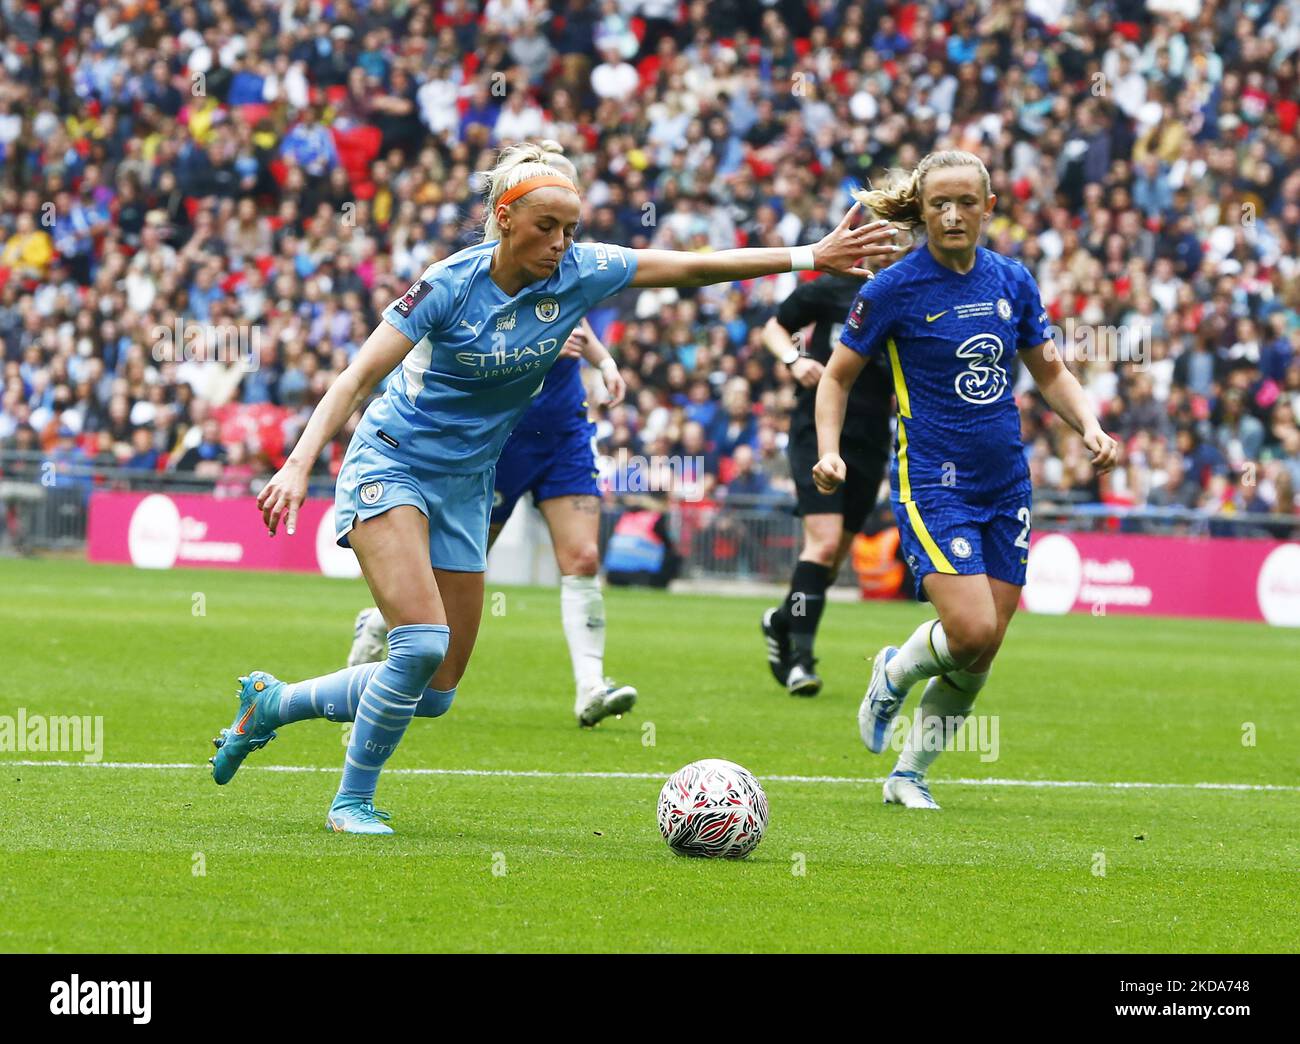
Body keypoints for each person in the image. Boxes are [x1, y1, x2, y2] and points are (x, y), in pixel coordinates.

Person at [207, 139, 900, 834]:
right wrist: (298, 463)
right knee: (416, 647)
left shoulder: (581, 271)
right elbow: (355, 377)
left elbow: (692, 268)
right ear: (505, 218)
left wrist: (809, 255)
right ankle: (350, 801)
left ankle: (271, 705)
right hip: (390, 463)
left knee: (438, 690)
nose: (562, 243)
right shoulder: (449, 283)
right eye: (548, 228)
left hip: (466, 484)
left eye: (571, 229)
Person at [814, 150, 1119, 810]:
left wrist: (1089, 426)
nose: (952, 215)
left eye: (965, 203)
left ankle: (909, 775)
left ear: (989, 206)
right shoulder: (893, 288)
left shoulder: (1012, 280)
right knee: (971, 630)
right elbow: (835, 376)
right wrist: (830, 451)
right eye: (938, 204)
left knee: (984, 649)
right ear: (921, 211)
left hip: (1005, 482)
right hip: (933, 480)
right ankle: (892, 673)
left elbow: (1051, 370)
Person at [347, 314, 643, 727]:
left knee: (584, 557)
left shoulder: (563, 274)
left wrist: (605, 363)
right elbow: (478, 354)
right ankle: (377, 622)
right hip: (502, 438)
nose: (558, 248)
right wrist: (541, 349)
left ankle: (591, 687)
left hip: (565, 437)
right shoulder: (491, 289)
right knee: (455, 572)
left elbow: (579, 325)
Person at [759, 185, 914, 696]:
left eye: (898, 235)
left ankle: (783, 621)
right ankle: (801, 660)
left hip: (873, 436)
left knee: (836, 554)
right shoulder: (831, 286)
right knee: (822, 545)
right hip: (818, 430)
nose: (889, 242)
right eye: (881, 233)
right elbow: (774, 329)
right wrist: (794, 360)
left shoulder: (911, 294)